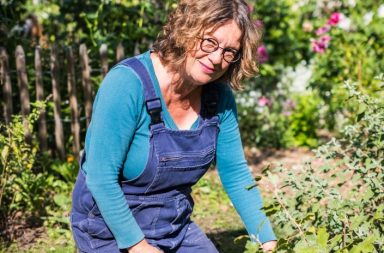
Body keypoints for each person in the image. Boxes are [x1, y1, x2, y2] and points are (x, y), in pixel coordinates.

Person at [70, 0, 277, 252]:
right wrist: (139, 246)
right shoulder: (127, 84)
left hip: (171, 225)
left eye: (229, 52)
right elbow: (101, 177)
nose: (216, 59)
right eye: (209, 41)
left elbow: (235, 173)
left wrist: (267, 240)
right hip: (108, 229)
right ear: (187, 30)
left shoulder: (218, 99)